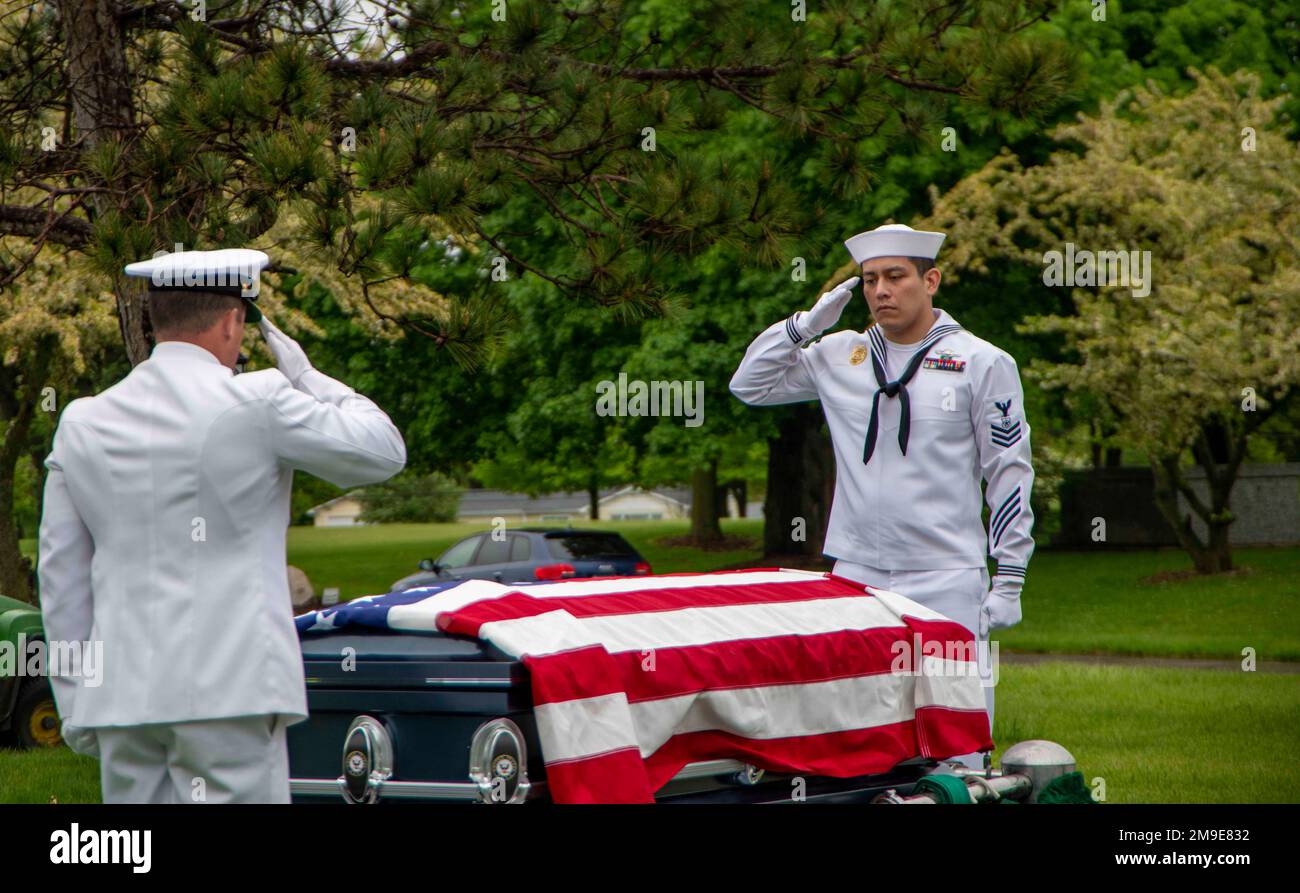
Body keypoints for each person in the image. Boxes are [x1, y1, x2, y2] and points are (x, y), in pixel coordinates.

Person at [37, 248, 407, 802]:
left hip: (121, 699)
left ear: (156, 320)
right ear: (234, 320)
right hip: (232, 692)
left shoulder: (83, 420)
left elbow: (60, 579)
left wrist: (77, 701)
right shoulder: (257, 400)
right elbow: (384, 451)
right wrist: (303, 373)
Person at [729, 223, 1034, 768]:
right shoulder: (837, 356)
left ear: (931, 280)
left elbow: (1008, 471)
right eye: (870, 280)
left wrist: (1010, 575)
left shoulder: (982, 362)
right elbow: (749, 385)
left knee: (956, 739)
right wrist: (802, 327)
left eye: (896, 276)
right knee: (859, 732)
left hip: (946, 575)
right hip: (857, 575)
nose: (880, 291)